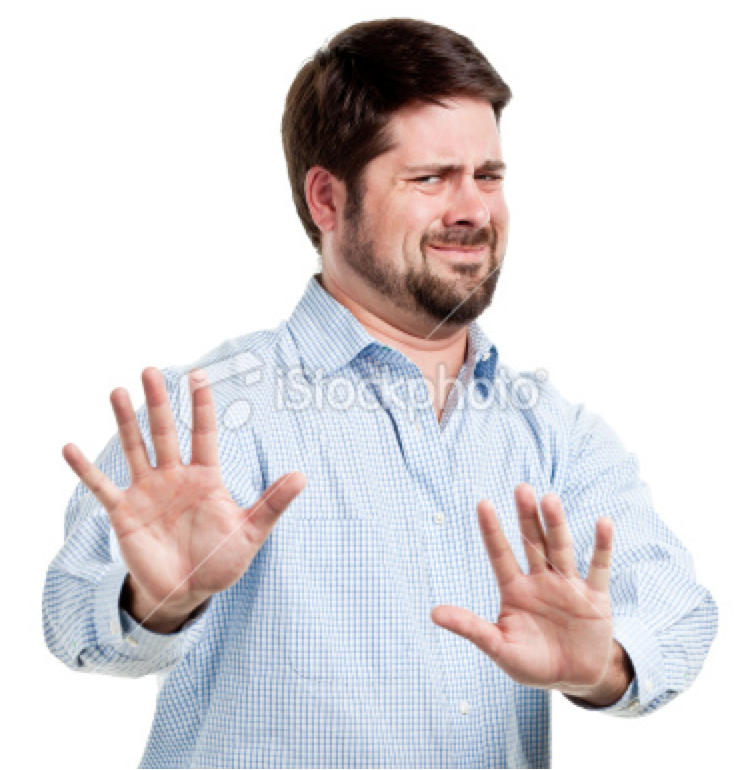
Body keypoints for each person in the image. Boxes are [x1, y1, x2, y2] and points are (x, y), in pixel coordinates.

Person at [42, 17, 718, 769]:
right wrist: (154, 601)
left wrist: (605, 667)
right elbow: (72, 616)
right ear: (328, 200)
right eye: (431, 179)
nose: (474, 210)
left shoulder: (555, 433)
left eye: (488, 176)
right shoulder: (212, 416)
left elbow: (677, 607)